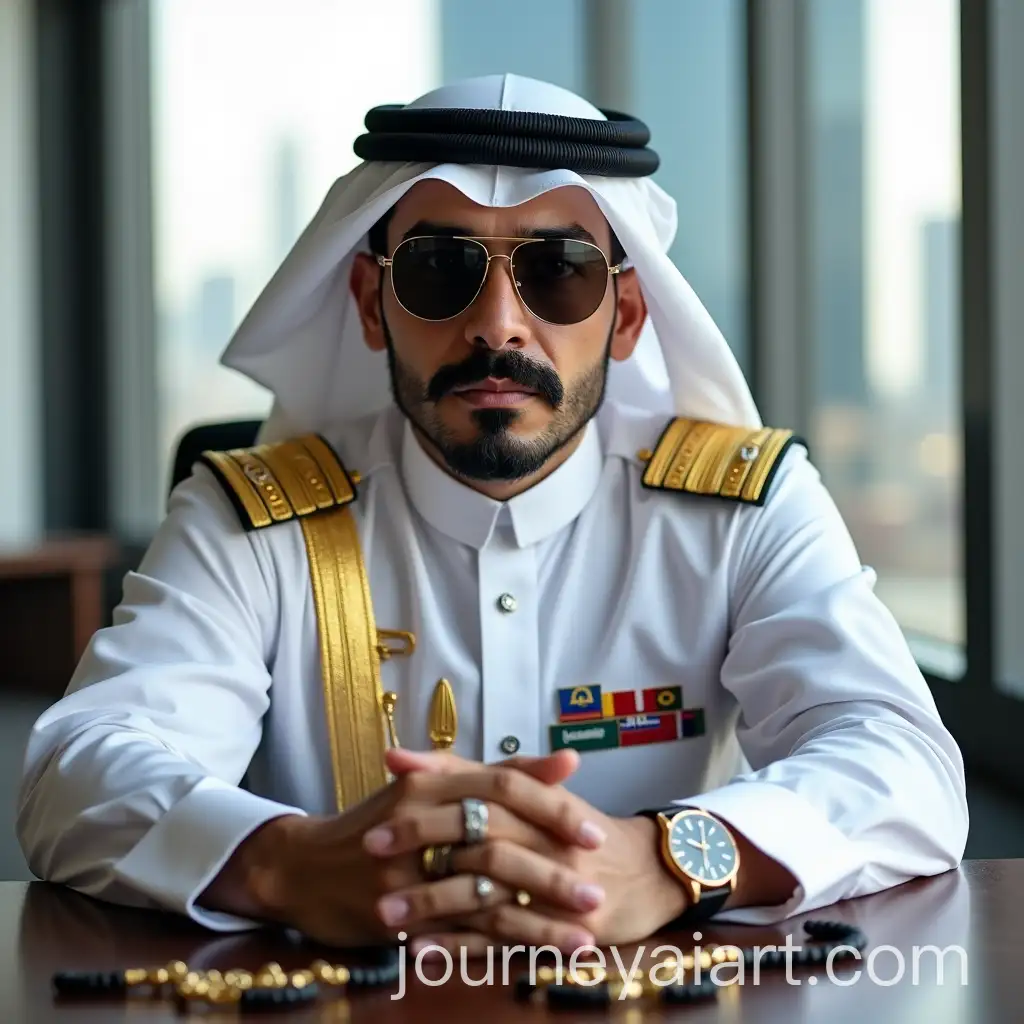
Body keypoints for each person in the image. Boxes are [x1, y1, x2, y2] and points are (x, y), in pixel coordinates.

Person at [17, 74, 967, 959]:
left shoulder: (742, 509)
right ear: (371, 301)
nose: (500, 326)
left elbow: (901, 758)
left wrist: (675, 857)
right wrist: (285, 863)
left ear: (627, 315)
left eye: (557, 272)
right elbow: (77, 769)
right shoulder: (253, 520)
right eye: (440, 271)